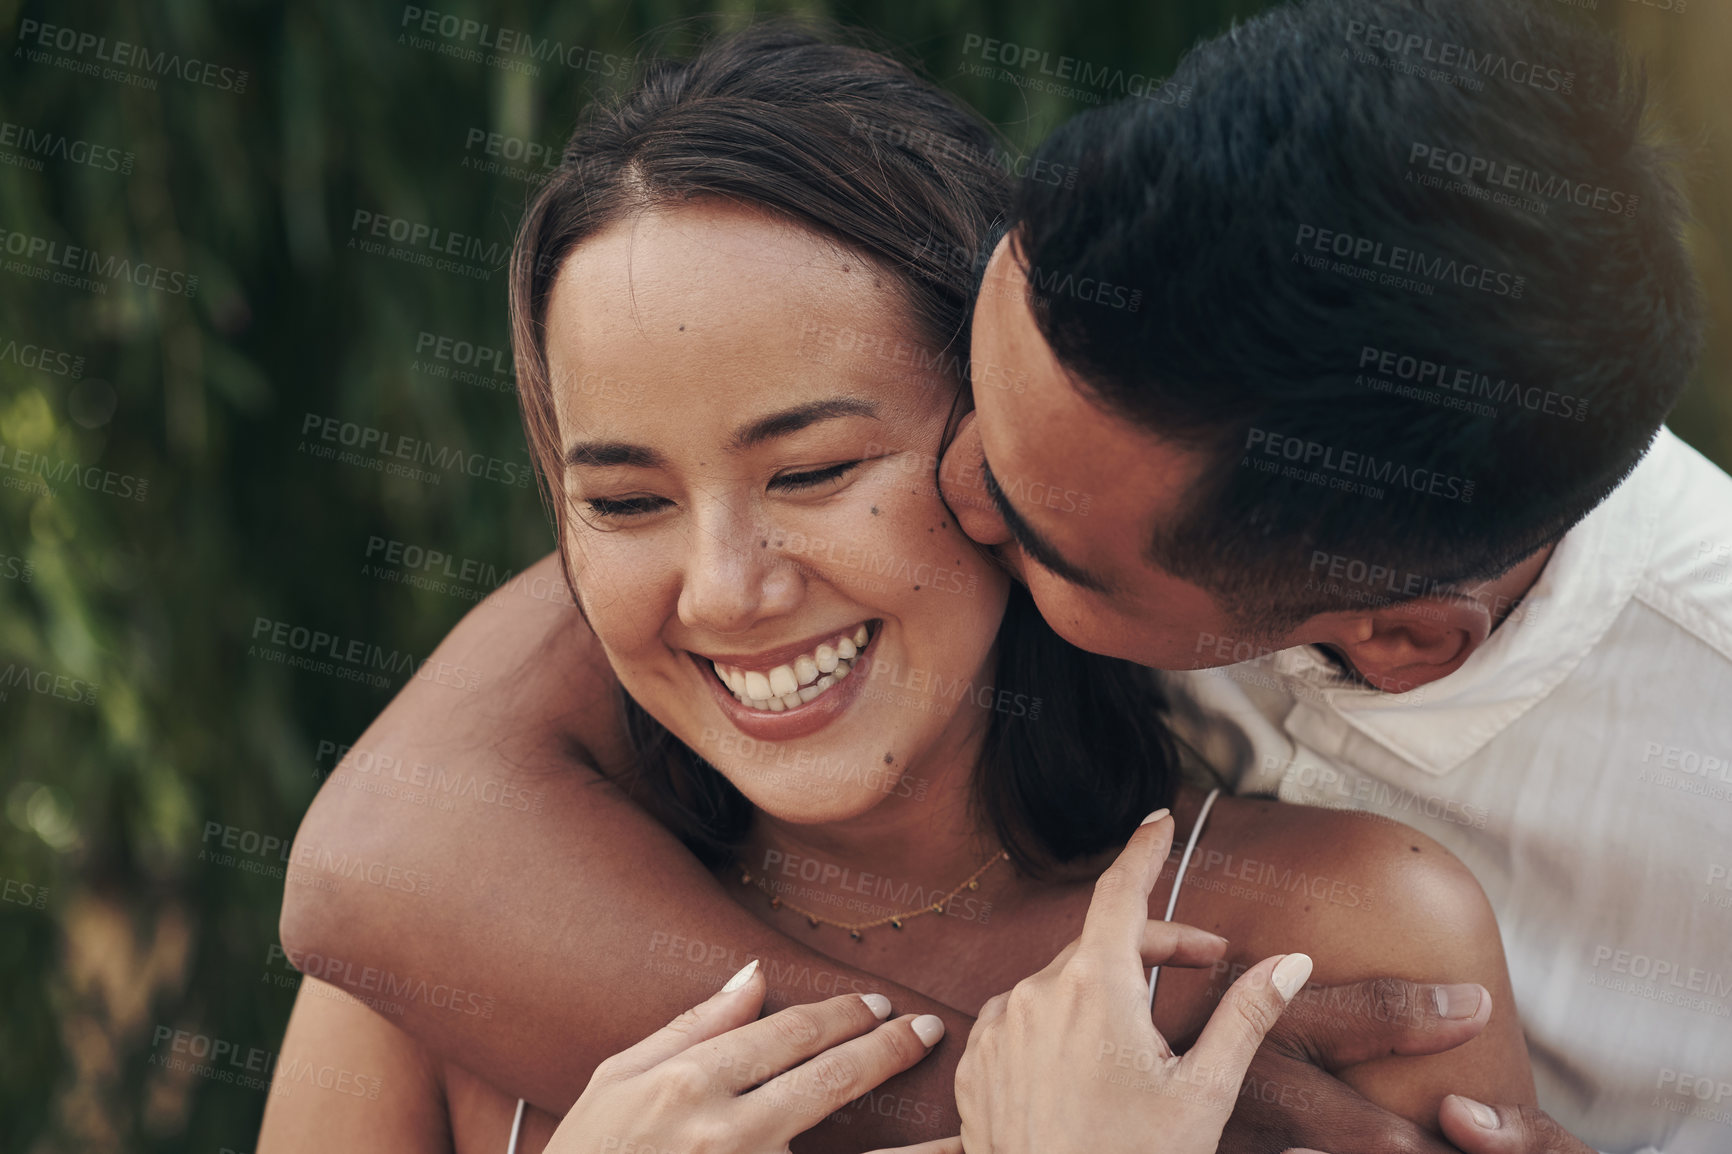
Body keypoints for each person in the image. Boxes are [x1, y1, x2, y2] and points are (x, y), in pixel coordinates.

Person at [282, 0, 1731, 1150]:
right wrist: (985, 1091)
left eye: (817, 470)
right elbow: (371, 855)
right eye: (624, 494)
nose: (967, 484)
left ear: (1390, 632)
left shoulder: (1381, 929)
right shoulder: (495, 904)